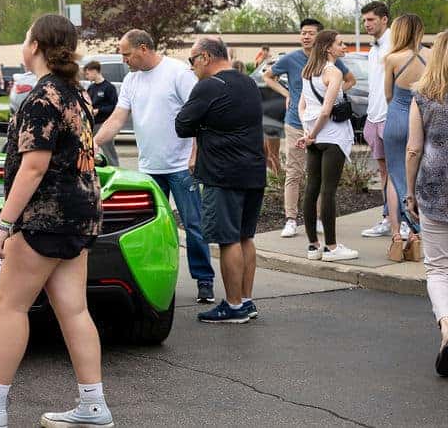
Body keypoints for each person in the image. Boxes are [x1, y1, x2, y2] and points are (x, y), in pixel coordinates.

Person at [0, 14, 111, 428]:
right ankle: (93, 404)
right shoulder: (76, 94)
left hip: (43, 218)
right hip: (81, 215)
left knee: (11, 305)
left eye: (27, 36)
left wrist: (3, 223)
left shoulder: (41, 99)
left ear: (35, 46)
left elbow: (34, 166)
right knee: (74, 310)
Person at [94, 29, 216, 304]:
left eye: (126, 53)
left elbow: (199, 115)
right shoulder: (131, 80)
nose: (123, 58)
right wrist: (94, 143)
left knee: (194, 225)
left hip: (181, 166)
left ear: (143, 49)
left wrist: (195, 153)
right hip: (149, 167)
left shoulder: (177, 73)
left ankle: (204, 280)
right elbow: (116, 118)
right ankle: (153, 282)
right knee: (148, 228)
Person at [176, 38, 266, 323]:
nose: (192, 68)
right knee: (245, 237)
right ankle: (247, 301)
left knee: (228, 240)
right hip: (253, 170)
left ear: (204, 57)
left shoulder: (209, 86)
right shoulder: (248, 82)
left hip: (223, 173)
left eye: (192, 61)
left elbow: (182, 125)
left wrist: (203, 124)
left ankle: (234, 305)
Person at [264, 19, 355, 238]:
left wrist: (331, 95)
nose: (306, 36)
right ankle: (291, 219)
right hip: (297, 123)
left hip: (320, 128)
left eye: (311, 33)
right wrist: (287, 95)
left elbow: (350, 80)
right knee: (294, 173)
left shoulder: (329, 64)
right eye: (303, 33)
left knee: (318, 178)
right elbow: (267, 76)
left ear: (320, 38)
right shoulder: (291, 59)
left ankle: (320, 219)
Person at [404, 30, 448, 377]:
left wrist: (408, 192)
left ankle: (447, 330)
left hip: (434, 187)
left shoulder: (422, 97)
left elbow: (414, 148)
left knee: (438, 268)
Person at [297, 30, 359, 262]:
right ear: (328, 48)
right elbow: (327, 110)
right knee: (328, 191)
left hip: (314, 137)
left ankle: (313, 246)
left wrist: (307, 132)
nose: (344, 46)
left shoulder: (308, 71)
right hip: (332, 136)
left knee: (312, 188)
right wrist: (311, 134)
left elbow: (302, 106)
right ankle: (332, 248)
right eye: (340, 43)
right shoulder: (333, 72)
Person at [383, 14, 429, 261]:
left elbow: (388, 94)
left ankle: (398, 235)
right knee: (418, 174)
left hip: (398, 117)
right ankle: (418, 233)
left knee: (395, 174)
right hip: (423, 118)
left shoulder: (392, 58)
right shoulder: (432, 55)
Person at [360, 1, 395, 239]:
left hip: (392, 116)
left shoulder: (396, 44)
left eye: (371, 20)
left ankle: (404, 222)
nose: (366, 24)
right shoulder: (373, 50)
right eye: (364, 20)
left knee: (399, 173)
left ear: (384, 19)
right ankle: (388, 217)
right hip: (374, 117)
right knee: (383, 172)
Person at [82, 60, 119, 167]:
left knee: (108, 151)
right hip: (91, 125)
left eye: (87, 73)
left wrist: (99, 110)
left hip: (104, 124)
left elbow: (114, 106)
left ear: (94, 71)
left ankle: (116, 169)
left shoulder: (109, 87)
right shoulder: (91, 88)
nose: (86, 76)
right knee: (89, 149)